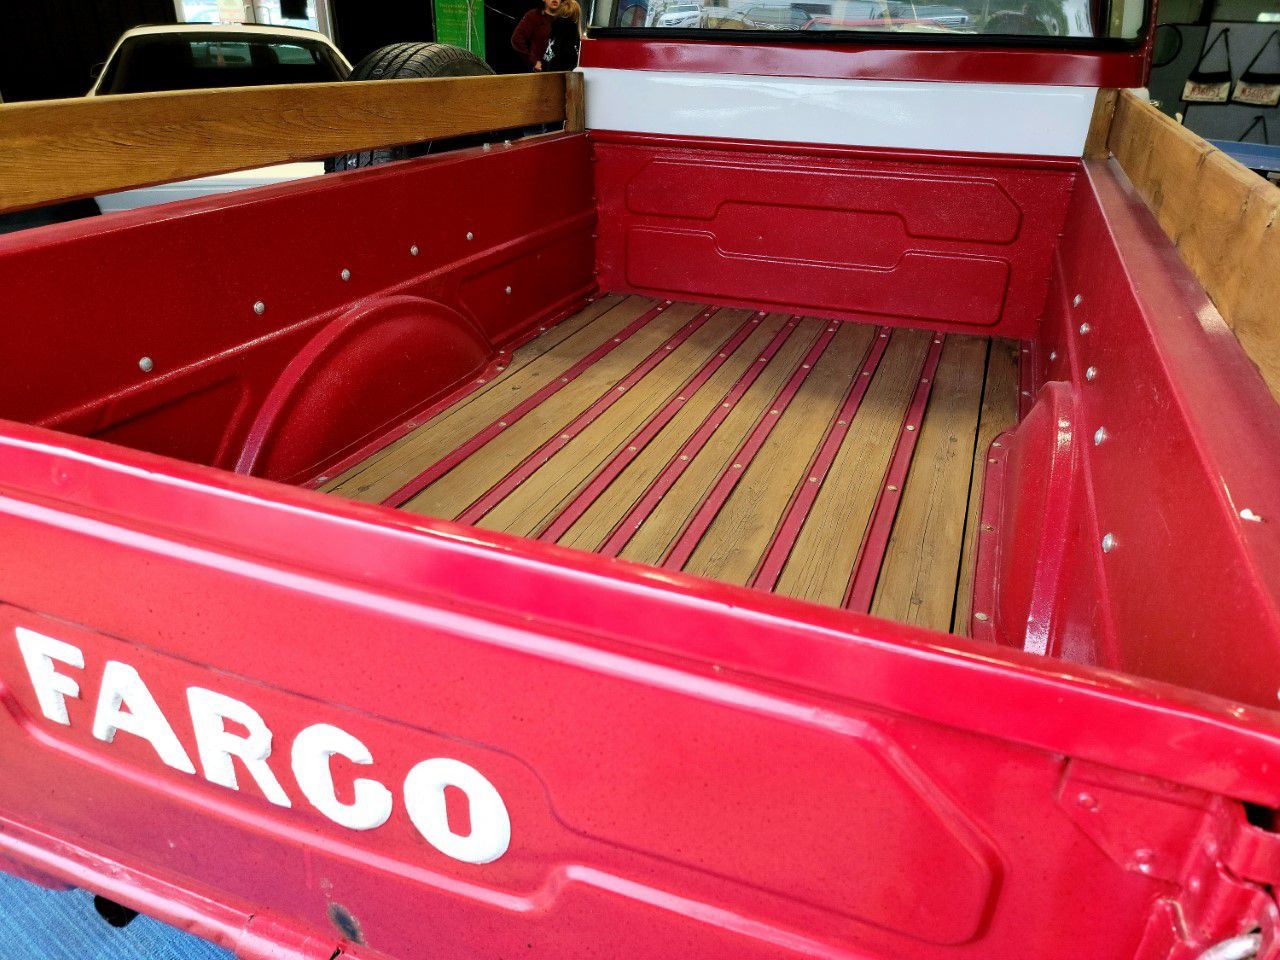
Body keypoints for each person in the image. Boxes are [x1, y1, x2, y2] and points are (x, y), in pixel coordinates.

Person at [511, 0, 561, 72]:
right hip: (539, 71)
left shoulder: (565, 18)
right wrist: (533, 61)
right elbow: (517, 39)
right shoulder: (534, 15)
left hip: (560, 70)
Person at [541, 0, 582, 72]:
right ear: (577, 15)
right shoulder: (571, 32)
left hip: (546, 72)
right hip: (561, 75)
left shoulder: (554, 27)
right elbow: (571, 62)